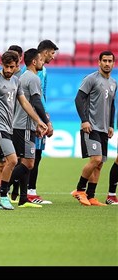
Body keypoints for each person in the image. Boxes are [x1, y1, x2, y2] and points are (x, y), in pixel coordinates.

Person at [0, 50, 48, 210]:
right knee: (13, 160)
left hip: (9, 127)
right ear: (1, 64)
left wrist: (39, 121)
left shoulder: (16, 81)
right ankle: (3, 195)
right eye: (6, 66)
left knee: (0, 164)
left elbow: (25, 103)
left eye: (12, 67)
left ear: (17, 66)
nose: (8, 70)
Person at [8, 48, 52, 208]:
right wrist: (45, 122)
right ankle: (0, 188)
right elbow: (37, 102)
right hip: (23, 126)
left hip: (23, 125)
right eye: (40, 60)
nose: (43, 62)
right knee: (28, 163)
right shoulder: (33, 78)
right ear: (34, 61)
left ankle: (23, 198)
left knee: (25, 161)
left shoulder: (23, 77)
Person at [72, 50, 116, 206]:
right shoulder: (91, 79)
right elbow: (79, 99)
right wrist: (84, 120)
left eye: (110, 61)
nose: (107, 63)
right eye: (104, 60)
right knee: (95, 159)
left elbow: (112, 105)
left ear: (113, 63)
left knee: (100, 164)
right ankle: (79, 189)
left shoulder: (113, 83)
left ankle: (91, 196)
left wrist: (111, 125)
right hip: (91, 127)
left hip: (104, 128)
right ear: (99, 62)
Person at [24, 40, 58, 204]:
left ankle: (25, 191)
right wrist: (43, 119)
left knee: (35, 156)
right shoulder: (35, 72)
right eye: (52, 53)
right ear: (44, 52)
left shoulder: (41, 71)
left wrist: (45, 114)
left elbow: (41, 96)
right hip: (32, 119)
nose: (53, 56)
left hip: (37, 117)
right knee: (32, 156)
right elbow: (35, 98)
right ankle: (27, 192)